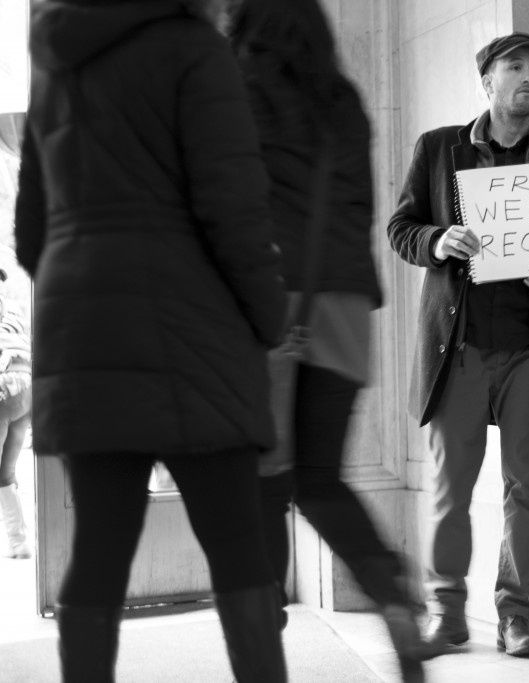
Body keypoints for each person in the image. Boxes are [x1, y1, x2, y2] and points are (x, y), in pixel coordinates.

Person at [14, 1, 288, 681]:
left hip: (83, 332)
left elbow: (29, 230)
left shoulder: (56, 59)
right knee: (236, 546)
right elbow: (235, 206)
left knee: (98, 551)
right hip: (196, 333)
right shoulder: (194, 47)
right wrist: (269, 316)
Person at [226, 0, 427, 677]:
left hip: (266, 303)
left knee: (260, 486)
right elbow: (357, 211)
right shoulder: (343, 100)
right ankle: (391, 592)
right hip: (342, 305)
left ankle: (260, 639)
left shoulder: (233, 85)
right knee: (319, 479)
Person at [387, 32, 529, 658]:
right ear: (488, 81)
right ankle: (447, 614)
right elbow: (400, 229)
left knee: (525, 490)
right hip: (458, 351)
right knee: (452, 486)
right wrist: (437, 241)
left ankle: (515, 617)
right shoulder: (438, 149)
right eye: (515, 67)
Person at [0, 259, 32, 560]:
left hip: (3, 383)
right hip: (24, 387)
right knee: (4, 472)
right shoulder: (14, 309)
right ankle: (19, 542)